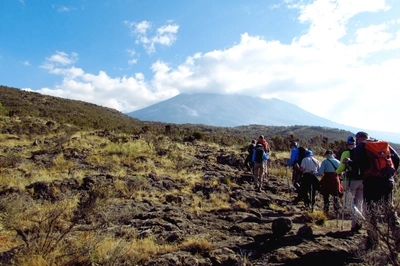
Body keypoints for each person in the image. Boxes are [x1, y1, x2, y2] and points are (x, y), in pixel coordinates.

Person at [349, 131, 400, 249]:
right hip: (387, 181)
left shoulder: (361, 146)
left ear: (358, 139)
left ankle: (373, 240)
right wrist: (389, 173)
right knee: (389, 209)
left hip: (371, 182)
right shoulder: (382, 143)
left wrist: (349, 162)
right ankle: (398, 235)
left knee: (370, 210)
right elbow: (397, 159)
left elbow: (356, 164)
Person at [336, 135, 363, 233]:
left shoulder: (346, 153)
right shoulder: (362, 152)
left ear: (347, 144)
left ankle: (362, 218)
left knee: (348, 203)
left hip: (351, 180)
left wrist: (337, 172)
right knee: (358, 204)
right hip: (362, 181)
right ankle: (355, 226)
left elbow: (342, 167)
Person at [316, 150, 342, 216]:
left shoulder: (325, 162)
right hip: (335, 179)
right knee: (336, 196)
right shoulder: (338, 161)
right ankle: (337, 211)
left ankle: (326, 211)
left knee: (326, 196)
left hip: (327, 179)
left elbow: (320, 172)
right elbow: (341, 172)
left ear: (326, 155)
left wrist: (313, 173)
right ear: (332, 154)